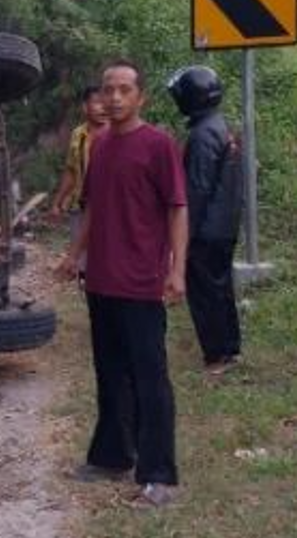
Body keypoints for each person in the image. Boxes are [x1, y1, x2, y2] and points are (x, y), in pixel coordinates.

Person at [56, 59, 188, 508]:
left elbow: (177, 208)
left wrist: (177, 269)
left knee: (150, 381)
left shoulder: (158, 145)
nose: (113, 98)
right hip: (102, 281)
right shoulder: (101, 145)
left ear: (140, 97)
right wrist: (75, 256)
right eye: (108, 89)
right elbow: (92, 209)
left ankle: (159, 477)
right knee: (110, 374)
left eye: (124, 90)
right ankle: (113, 456)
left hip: (141, 283)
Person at [166, 65, 243, 375]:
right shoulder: (221, 126)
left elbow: (195, 192)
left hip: (207, 230)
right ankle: (230, 349)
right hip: (225, 227)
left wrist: (181, 239)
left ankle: (216, 356)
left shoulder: (202, 135)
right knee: (221, 289)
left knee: (205, 294)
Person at [49, 86, 108, 281]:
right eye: (97, 103)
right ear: (85, 107)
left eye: (104, 103)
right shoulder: (78, 134)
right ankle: (87, 289)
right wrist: (58, 202)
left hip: (109, 206)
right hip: (80, 204)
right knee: (82, 258)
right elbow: (71, 170)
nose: (103, 108)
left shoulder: (116, 133)